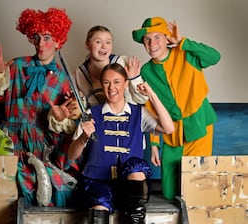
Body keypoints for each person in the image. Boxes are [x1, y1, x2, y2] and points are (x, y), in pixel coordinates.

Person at [0, 7, 79, 207]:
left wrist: (60, 117)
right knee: (8, 182)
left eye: (48, 38)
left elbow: (66, 125)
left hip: (41, 143)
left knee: (50, 182)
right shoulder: (16, 65)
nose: (41, 44)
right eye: (37, 37)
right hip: (10, 138)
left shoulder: (63, 80)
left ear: (58, 41)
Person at [68, 63, 174, 224]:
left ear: (125, 84)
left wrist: (151, 94)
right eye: (106, 82)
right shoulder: (91, 114)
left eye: (117, 82)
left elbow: (169, 128)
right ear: (101, 85)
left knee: (136, 165)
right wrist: (84, 136)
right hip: (97, 183)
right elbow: (71, 155)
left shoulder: (139, 113)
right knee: (100, 199)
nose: (112, 87)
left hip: (131, 189)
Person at [132, 16, 221, 200]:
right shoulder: (147, 71)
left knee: (196, 183)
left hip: (198, 124)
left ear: (167, 38)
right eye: (147, 40)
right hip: (172, 131)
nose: (152, 43)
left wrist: (183, 42)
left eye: (157, 37)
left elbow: (214, 57)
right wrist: (154, 144)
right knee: (170, 191)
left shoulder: (185, 53)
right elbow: (151, 108)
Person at [73, 25, 148, 108]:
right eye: (98, 42)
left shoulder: (125, 63)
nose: (104, 46)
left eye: (108, 42)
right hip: (96, 120)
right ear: (87, 44)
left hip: (131, 118)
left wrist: (134, 79)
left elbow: (143, 99)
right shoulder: (78, 75)